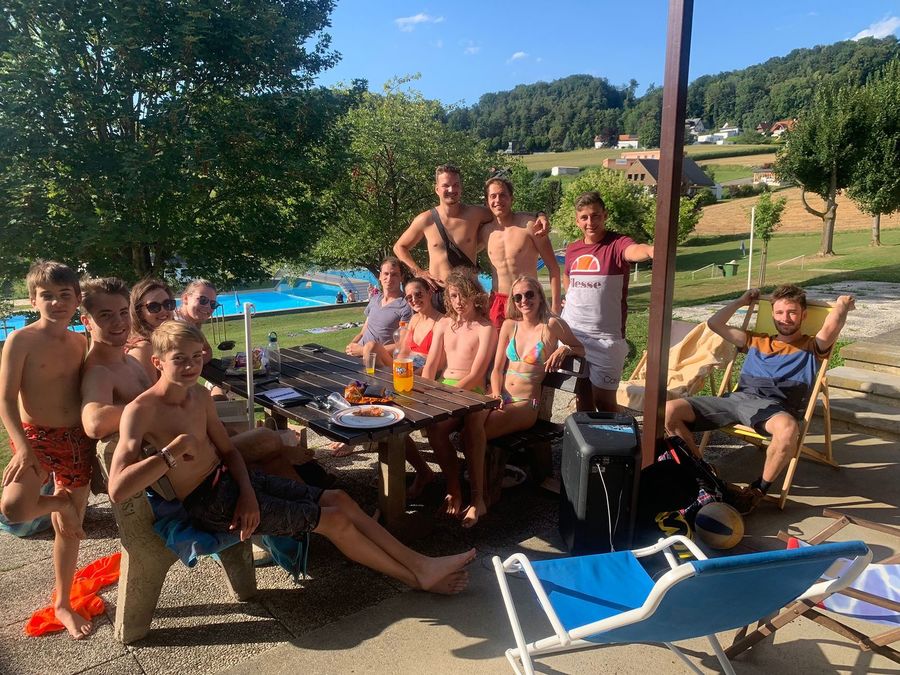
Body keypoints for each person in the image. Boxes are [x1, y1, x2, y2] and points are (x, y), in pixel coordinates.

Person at [107, 321, 475, 595]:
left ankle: (421, 564)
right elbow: (118, 489)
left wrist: (248, 494)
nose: (190, 366)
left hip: (233, 484)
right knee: (335, 521)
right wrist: (171, 453)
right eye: (179, 359)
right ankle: (417, 578)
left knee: (340, 498)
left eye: (195, 357)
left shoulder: (199, 397)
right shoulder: (141, 412)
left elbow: (230, 452)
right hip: (209, 504)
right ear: (157, 362)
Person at [80, 278, 308, 485]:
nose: (119, 321)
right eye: (105, 315)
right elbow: (95, 423)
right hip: (183, 461)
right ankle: (305, 490)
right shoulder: (108, 367)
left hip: (187, 445)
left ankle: (305, 496)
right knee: (267, 440)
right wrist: (158, 410)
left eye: (122, 312)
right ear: (87, 322)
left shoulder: (126, 359)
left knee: (269, 454)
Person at [664, 285, 855, 514]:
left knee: (787, 429)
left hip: (773, 408)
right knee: (669, 410)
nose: (785, 318)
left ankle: (756, 491)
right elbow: (714, 324)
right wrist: (741, 301)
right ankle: (705, 475)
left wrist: (842, 305)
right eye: (779, 312)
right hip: (736, 400)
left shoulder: (811, 346)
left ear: (803, 315)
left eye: (792, 312)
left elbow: (831, 326)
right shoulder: (755, 340)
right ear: (772, 314)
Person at [0, 260, 95, 639]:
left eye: (64, 295)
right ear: (33, 300)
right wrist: (22, 449)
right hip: (35, 439)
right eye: (47, 296)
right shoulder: (20, 340)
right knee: (14, 507)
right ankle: (60, 504)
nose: (56, 303)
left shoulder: (80, 342)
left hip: (74, 440)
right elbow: (6, 400)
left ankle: (63, 603)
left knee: (70, 532)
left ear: (77, 299)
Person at [393, 165, 550, 312]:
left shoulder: (476, 214)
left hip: (469, 293)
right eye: (446, 185)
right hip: (439, 292)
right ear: (437, 189)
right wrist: (418, 271)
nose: (451, 189)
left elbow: (505, 211)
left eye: (456, 185)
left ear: (461, 188)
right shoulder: (426, 220)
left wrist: (539, 215)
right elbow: (399, 247)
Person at [561, 191, 654, 413]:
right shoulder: (573, 249)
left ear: (605, 215)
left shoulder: (617, 243)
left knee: (604, 403)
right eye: (584, 217)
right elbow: (567, 275)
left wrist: (651, 250)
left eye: (595, 216)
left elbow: (634, 251)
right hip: (574, 335)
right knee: (582, 397)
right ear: (577, 221)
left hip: (606, 339)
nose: (590, 222)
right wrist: (571, 296)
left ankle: (621, 433)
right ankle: (589, 434)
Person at [422, 268, 497, 527]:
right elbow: (431, 366)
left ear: (475, 295)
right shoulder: (444, 324)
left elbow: (477, 375)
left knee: (472, 429)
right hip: (446, 387)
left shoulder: (485, 328)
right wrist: (426, 392)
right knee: (435, 429)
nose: (458, 301)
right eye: (453, 296)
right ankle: (454, 489)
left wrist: (444, 395)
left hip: (473, 391)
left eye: (463, 295)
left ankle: (478, 499)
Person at [363, 277, 443, 498]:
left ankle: (421, 473)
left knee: (390, 421)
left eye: (419, 294)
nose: (414, 299)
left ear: (429, 292)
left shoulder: (441, 322)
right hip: (406, 371)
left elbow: (437, 365)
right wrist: (396, 371)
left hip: (425, 377)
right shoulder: (415, 319)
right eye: (409, 297)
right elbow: (403, 352)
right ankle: (413, 471)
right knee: (371, 348)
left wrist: (409, 375)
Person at [486, 277, 583, 439]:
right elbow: (497, 369)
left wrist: (565, 349)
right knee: (471, 418)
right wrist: (496, 394)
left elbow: (580, 349)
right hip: (501, 396)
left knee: (480, 430)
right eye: (518, 297)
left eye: (529, 295)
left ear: (539, 296)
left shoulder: (551, 324)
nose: (524, 300)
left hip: (526, 402)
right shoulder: (509, 325)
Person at [480, 177, 561, 327]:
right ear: (487, 202)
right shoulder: (485, 231)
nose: (498, 200)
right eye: (493, 196)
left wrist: (555, 308)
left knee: (532, 343)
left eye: (503, 195)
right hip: (498, 301)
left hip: (528, 300)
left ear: (512, 199)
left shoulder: (530, 225)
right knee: (498, 343)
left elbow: (553, 268)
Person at [344, 257, 411, 358]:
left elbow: (402, 345)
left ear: (402, 277)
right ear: (380, 276)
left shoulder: (405, 305)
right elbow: (363, 332)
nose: (389, 278)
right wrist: (351, 345)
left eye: (394, 275)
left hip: (377, 360)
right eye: (386, 274)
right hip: (356, 355)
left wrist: (363, 351)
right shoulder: (375, 299)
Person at [126, 277, 176, 382]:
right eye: (154, 306)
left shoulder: (164, 340)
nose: (163, 310)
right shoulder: (143, 348)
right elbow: (150, 390)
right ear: (139, 313)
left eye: (168, 304)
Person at [175, 279, 219, 363]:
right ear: (185, 298)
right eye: (203, 300)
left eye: (213, 304)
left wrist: (197, 361)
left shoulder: (191, 324)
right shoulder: (175, 326)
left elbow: (207, 350)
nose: (208, 306)